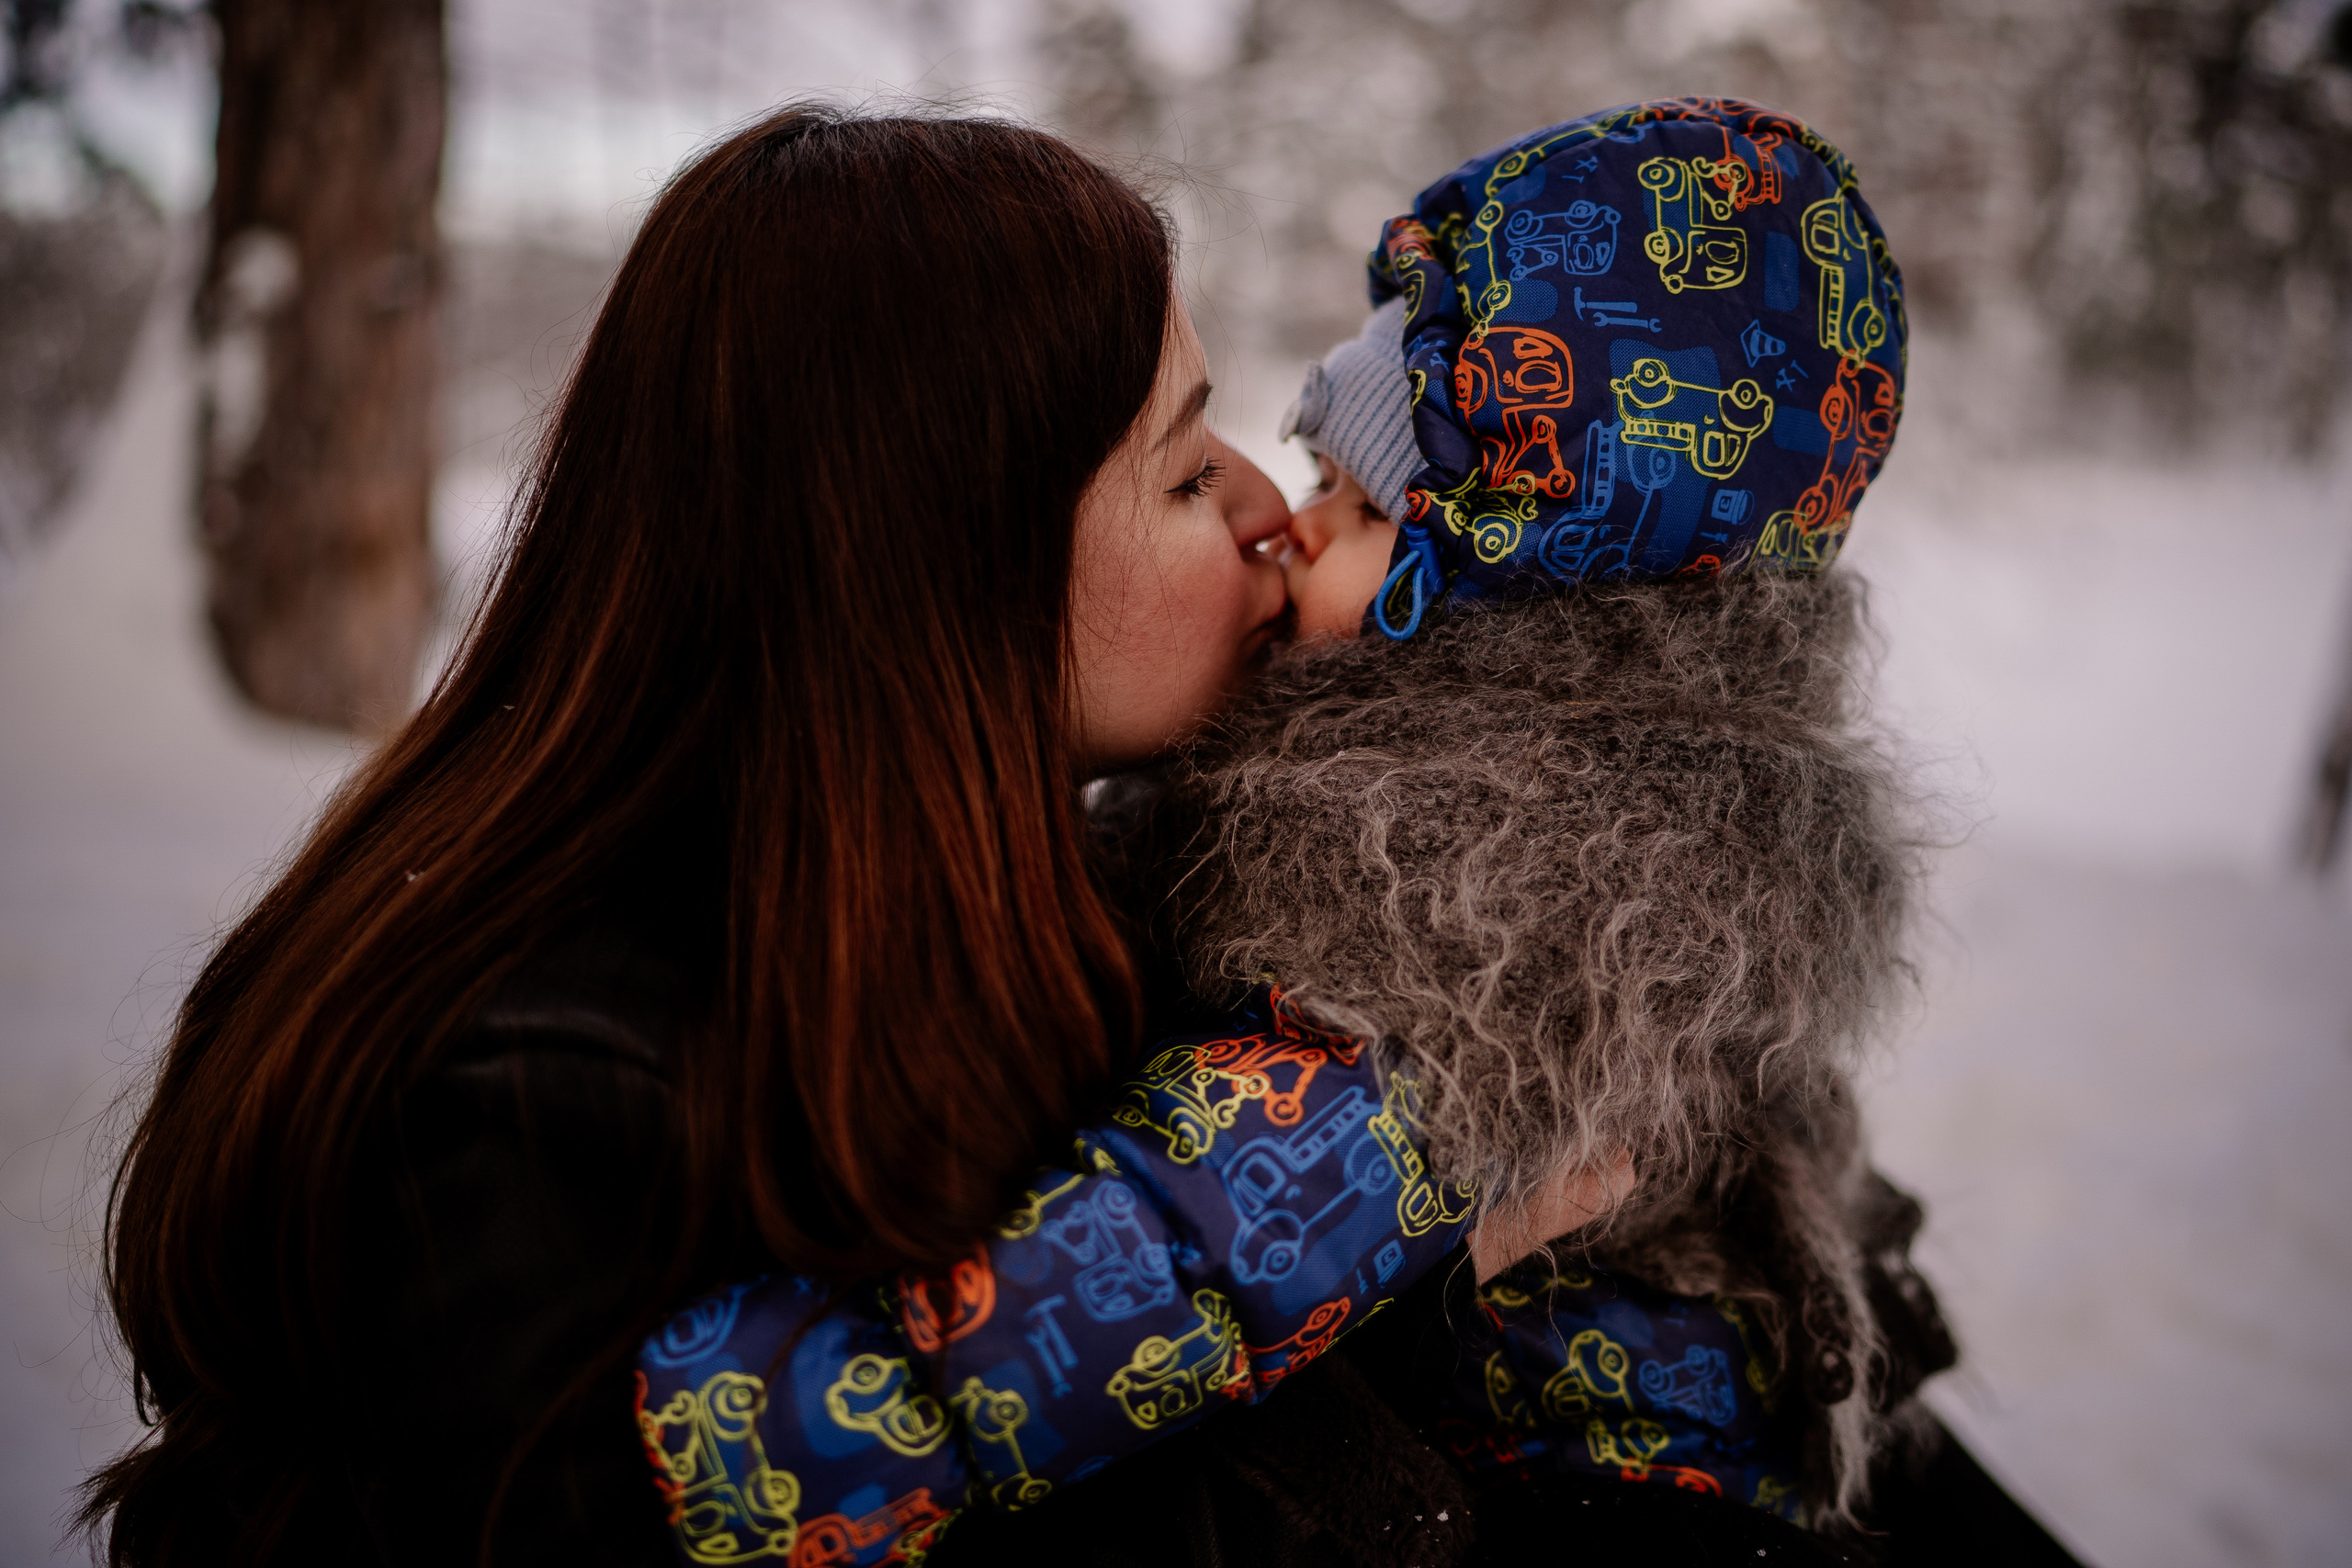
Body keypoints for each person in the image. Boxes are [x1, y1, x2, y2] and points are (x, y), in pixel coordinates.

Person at [650, 98, 2085, 1568]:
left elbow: (1191, 1247)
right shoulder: (1536, 800)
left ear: (1509, 604)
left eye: (1355, 504)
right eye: (1284, 472)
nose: (1287, 522)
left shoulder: (1483, 893)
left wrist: (807, 1426)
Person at [73, 107, 1351, 1568]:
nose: (1269, 512)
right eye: (1187, 474)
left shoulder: (1003, 907)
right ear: (941, 561)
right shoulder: (536, 1112)